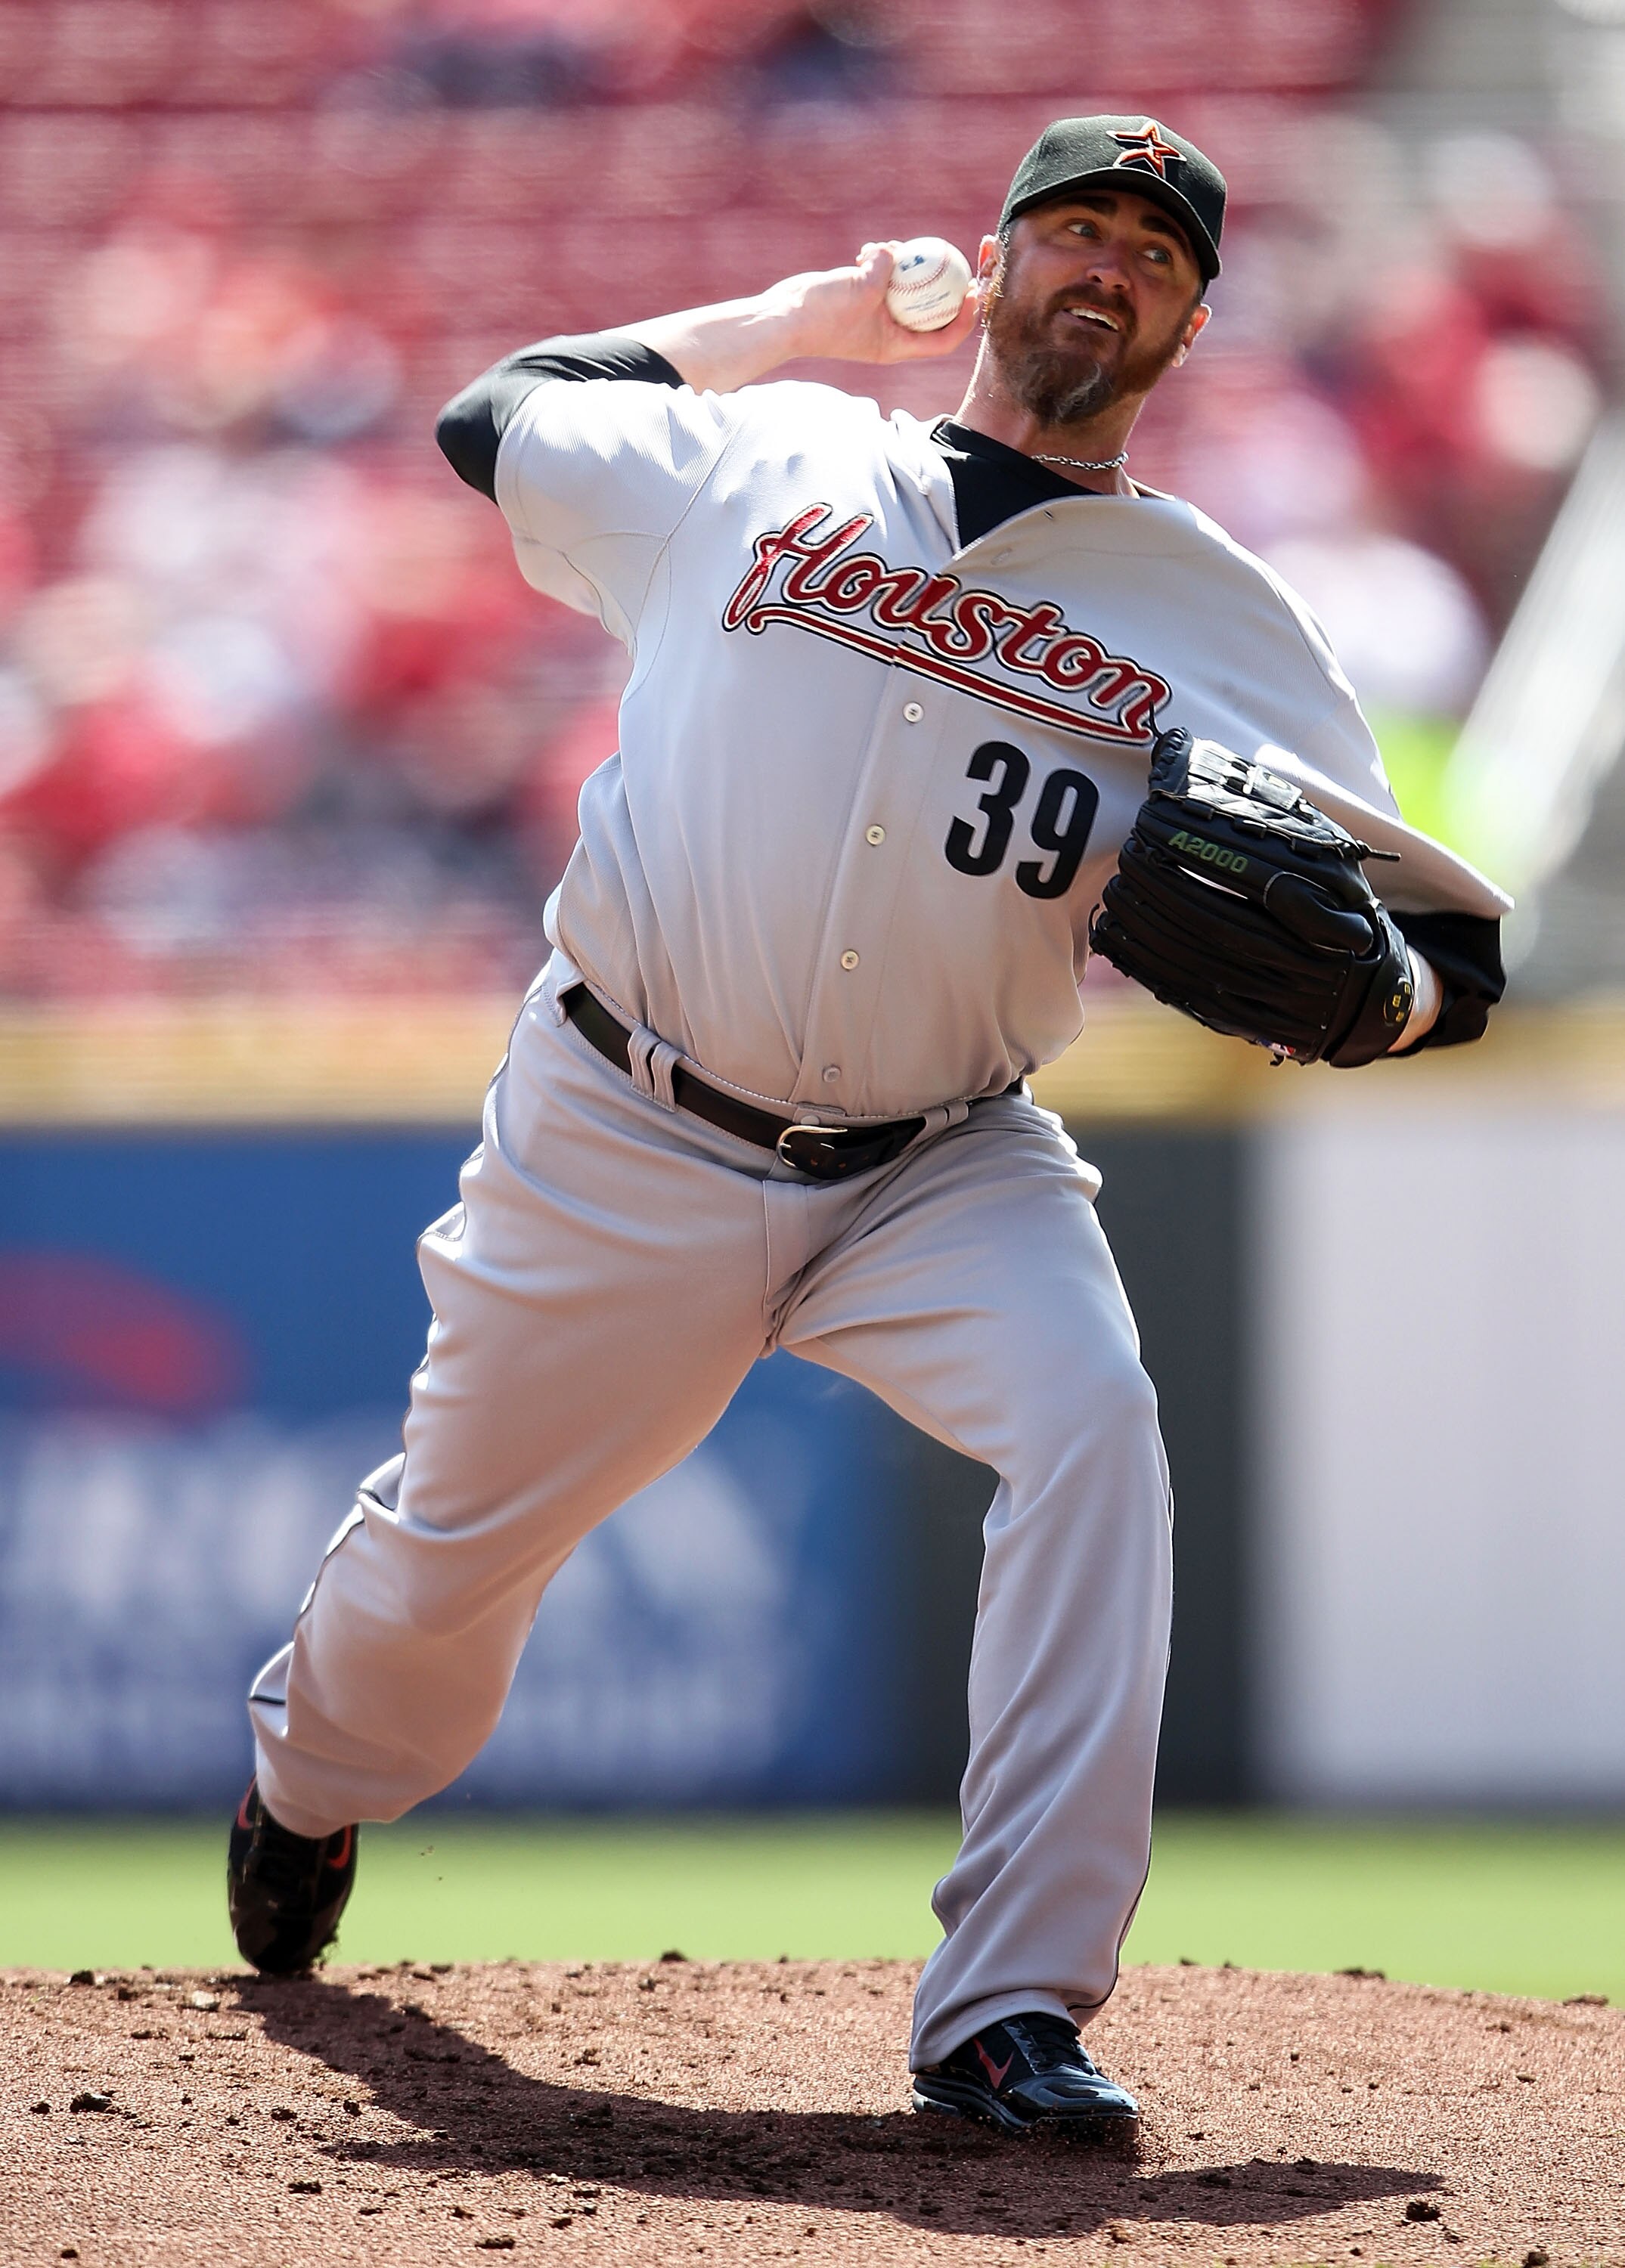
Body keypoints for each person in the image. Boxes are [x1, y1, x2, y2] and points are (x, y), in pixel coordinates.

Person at [227, 116, 1506, 2139]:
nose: (1107, 270)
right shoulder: (766, 459)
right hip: (627, 1123)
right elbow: (498, 419)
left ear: (1187, 323)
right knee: (429, 1615)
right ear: (996, 264)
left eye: (1154, 257)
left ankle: (1008, 2009)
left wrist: (1390, 996)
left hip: (940, 1159)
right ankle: (304, 1784)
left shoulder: (1220, 615)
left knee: (1093, 1423)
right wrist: (793, 321)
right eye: (1074, 229)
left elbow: (1456, 946)